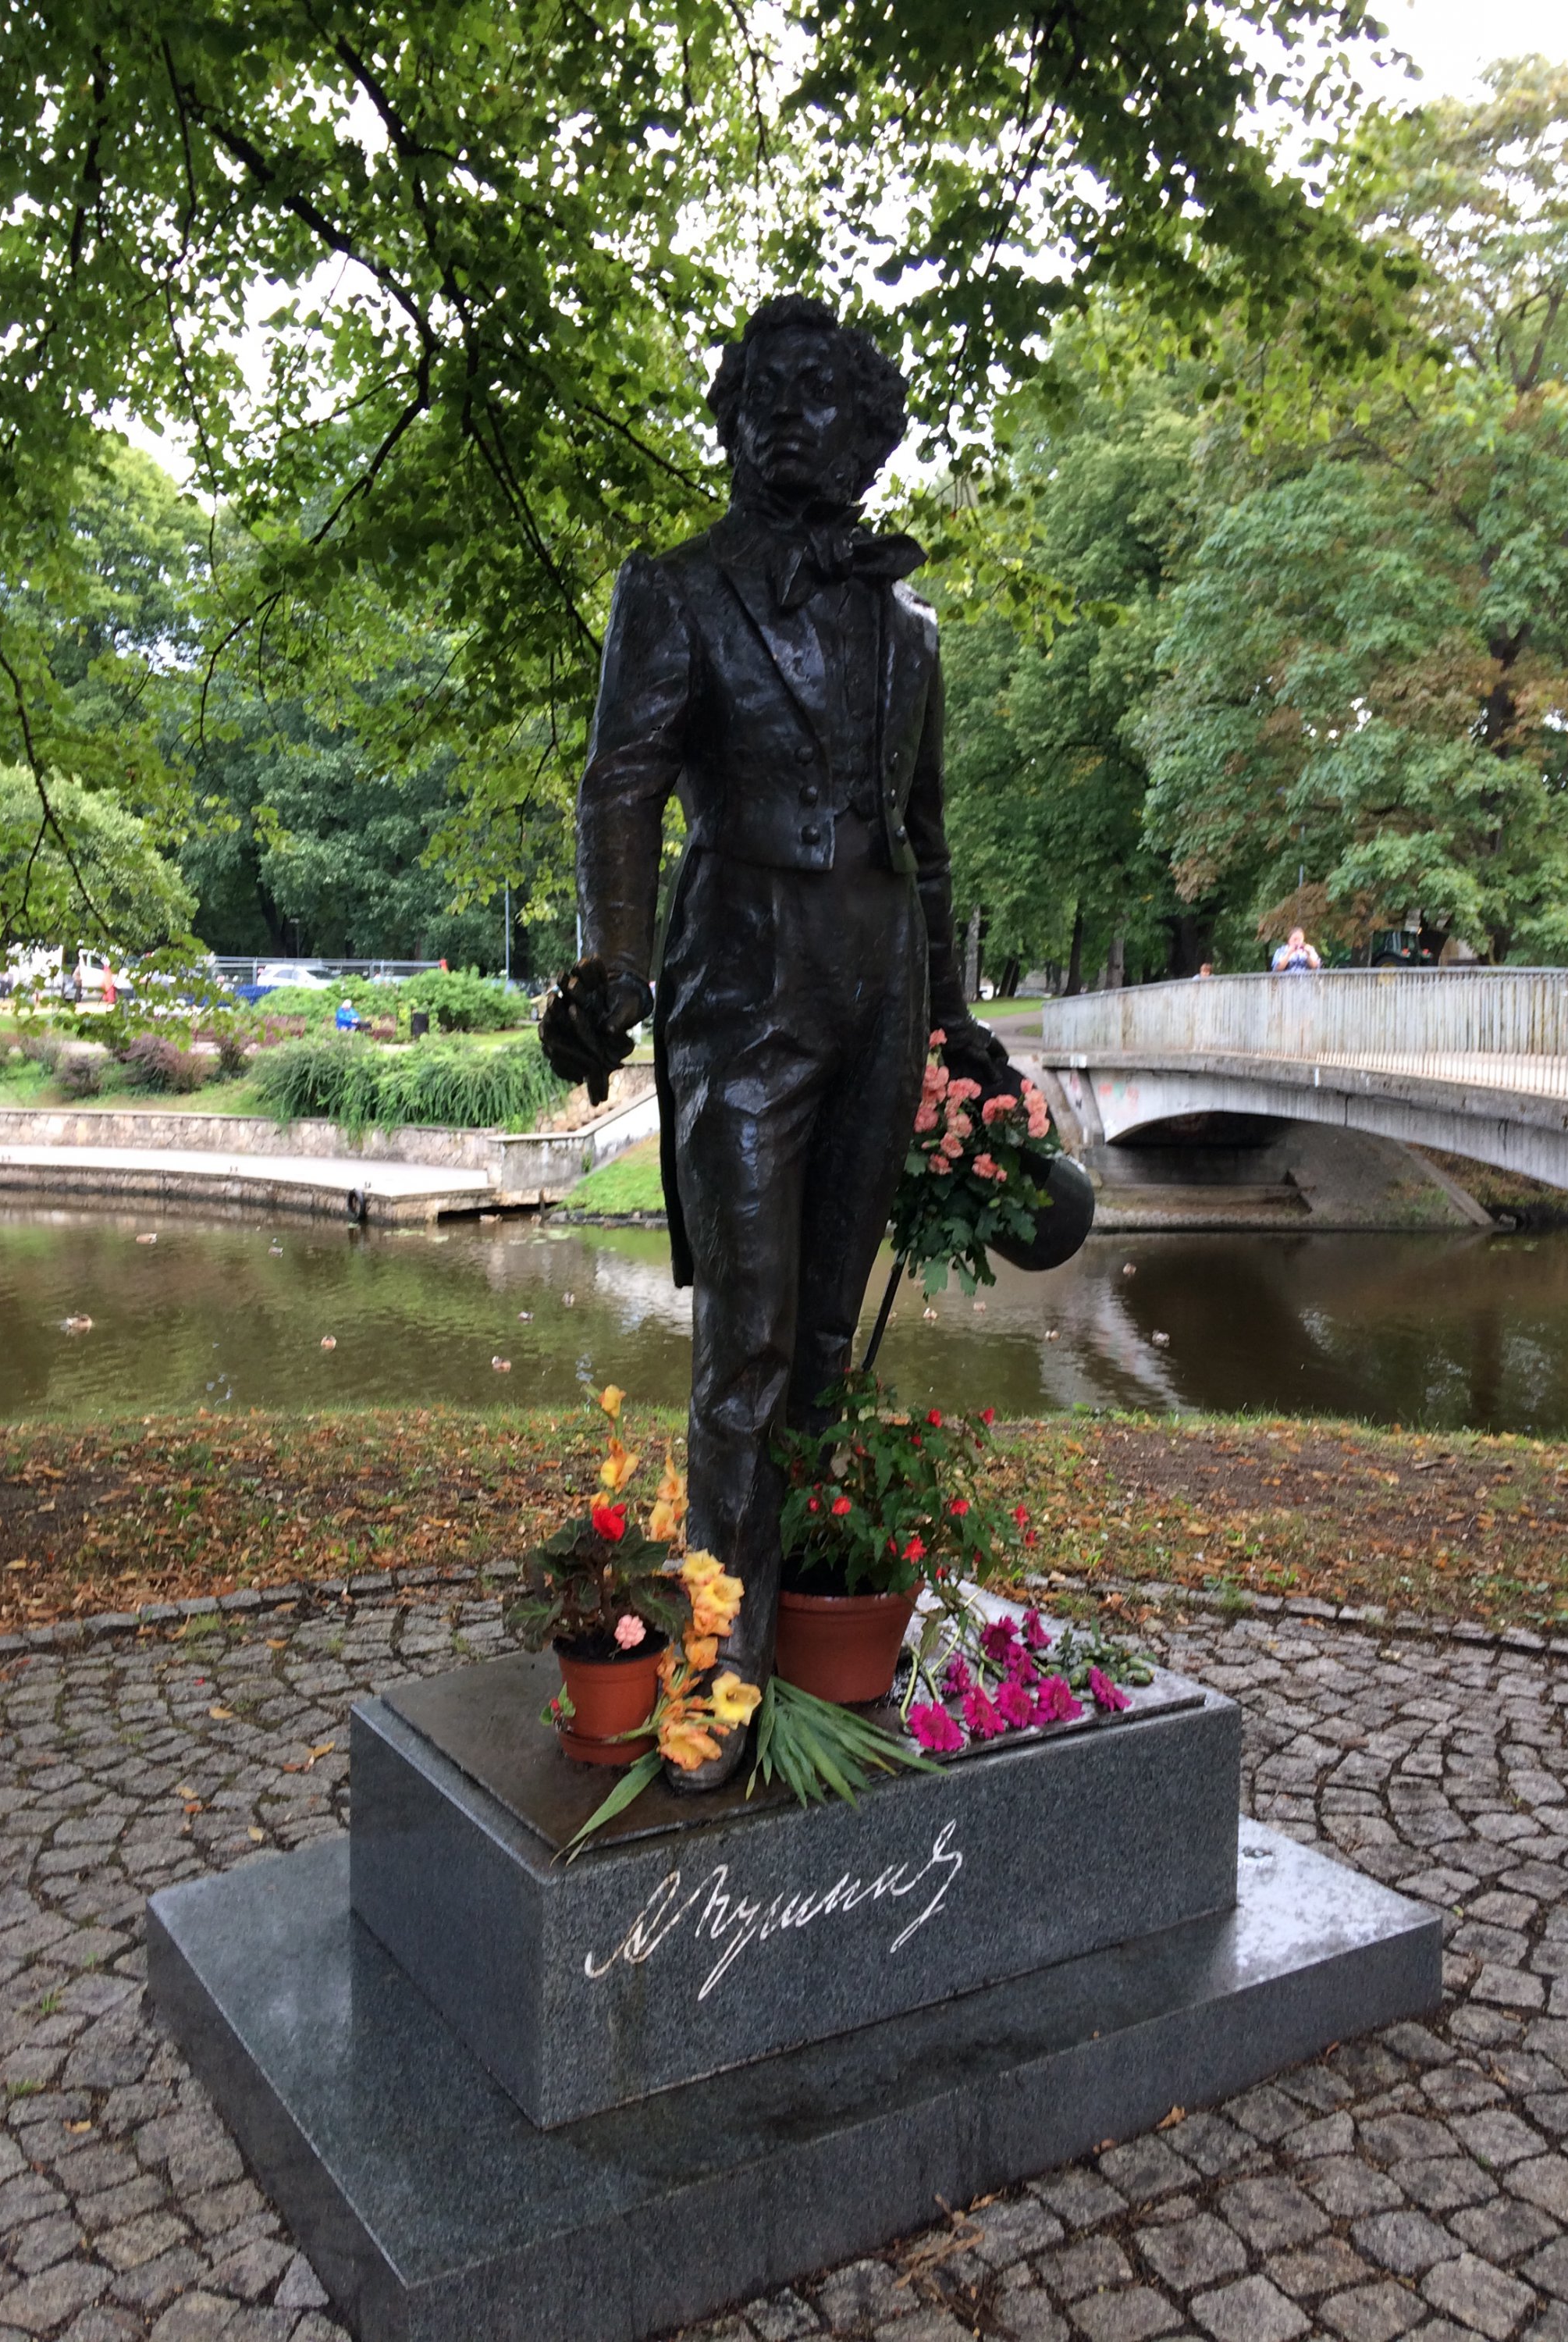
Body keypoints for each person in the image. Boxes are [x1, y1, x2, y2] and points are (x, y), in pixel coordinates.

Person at [541, 294, 1012, 1786]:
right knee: (742, 1334)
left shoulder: (909, 628)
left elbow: (925, 841)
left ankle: (803, 1600)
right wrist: (616, 968)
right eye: (769, 396)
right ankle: (716, 1661)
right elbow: (620, 785)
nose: (792, 420)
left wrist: (948, 1019)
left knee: (818, 1337)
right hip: (742, 984)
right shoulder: (675, 590)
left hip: (876, 988)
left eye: (825, 399)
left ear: (869, 437)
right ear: (735, 423)